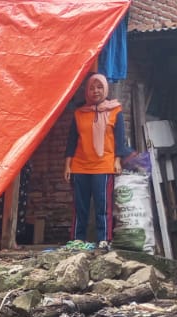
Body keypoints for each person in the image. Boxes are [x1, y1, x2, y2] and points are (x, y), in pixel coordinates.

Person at [64, 73, 129, 249]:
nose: (95, 91)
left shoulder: (115, 110)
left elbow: (119, 138)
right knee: (80, 205)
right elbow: (71, 140)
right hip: (80, 165)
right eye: (92, 88)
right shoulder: (79, 113)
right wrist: (68, 164)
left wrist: (117, 160)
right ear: (87, 91)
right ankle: (78, 238)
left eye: (99, 87)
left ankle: (104, 239)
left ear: (105, 89)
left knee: (103, 205)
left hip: (104, 165)